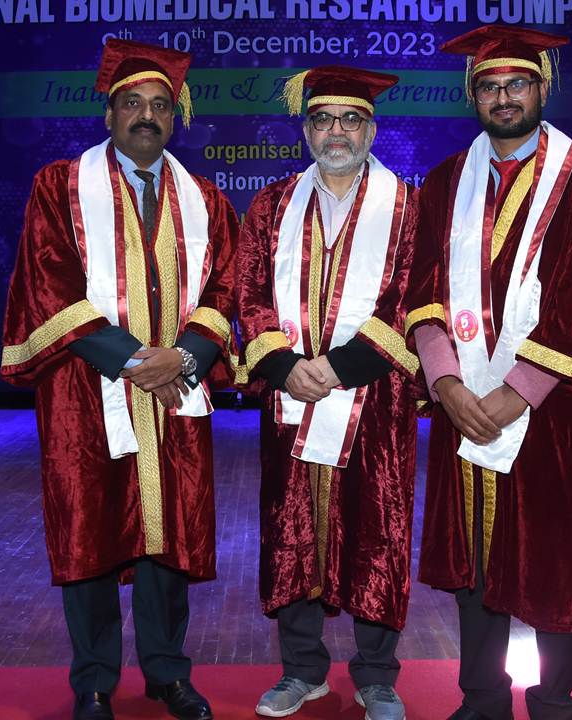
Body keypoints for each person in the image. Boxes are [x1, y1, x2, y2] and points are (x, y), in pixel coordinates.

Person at [404, 26, 572, 720]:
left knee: (557, 557)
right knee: (476, 560)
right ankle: (482, 699)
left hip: (558, 409)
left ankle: (555, 702)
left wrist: (517, 392)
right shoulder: (445, 182)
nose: (504, 98)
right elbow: (423, 293)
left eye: (517, 84)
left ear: (543, 89)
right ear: (472, 96)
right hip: (464, 403)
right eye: (489, 86)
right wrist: (446, 385)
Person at [0, 38, 238, 720]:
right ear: (108, 114)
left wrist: (183, 357)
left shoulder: (206, 200)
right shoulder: (60, 187)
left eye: (160, 105)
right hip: (87, 391)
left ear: (175, 118)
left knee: (169, 535)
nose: (147, 116)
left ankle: (168, 673)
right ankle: (95, 681)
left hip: (176, 393)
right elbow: (50, 285)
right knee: (91, 533)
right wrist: (140, 363)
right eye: (132, 103)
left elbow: (226, 288)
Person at [236, 66, 421, 720]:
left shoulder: (407, 208)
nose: (335, 131)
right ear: (306, 129)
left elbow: (411, 299)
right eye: (322, 119)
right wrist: (284, 365)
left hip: (376, 403)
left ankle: (378, 678)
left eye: (350, 119)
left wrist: (339, 368)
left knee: (377, 530)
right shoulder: (271, 207)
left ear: (371, 129)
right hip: (290, 399)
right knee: (293, 528)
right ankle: (301, 671)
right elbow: (250, 295)